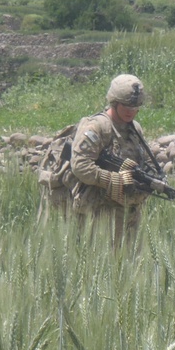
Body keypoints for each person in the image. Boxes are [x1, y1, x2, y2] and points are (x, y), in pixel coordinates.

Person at [69, 73, 154, 249]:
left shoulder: (135, 128)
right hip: (99, 213)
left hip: (128, 212)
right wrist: (112, 179)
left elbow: (144, 159)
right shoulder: (97, 126)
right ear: (114, 102)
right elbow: (80, 166)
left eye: (136, 106)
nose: (131, 111)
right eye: (126, 106)